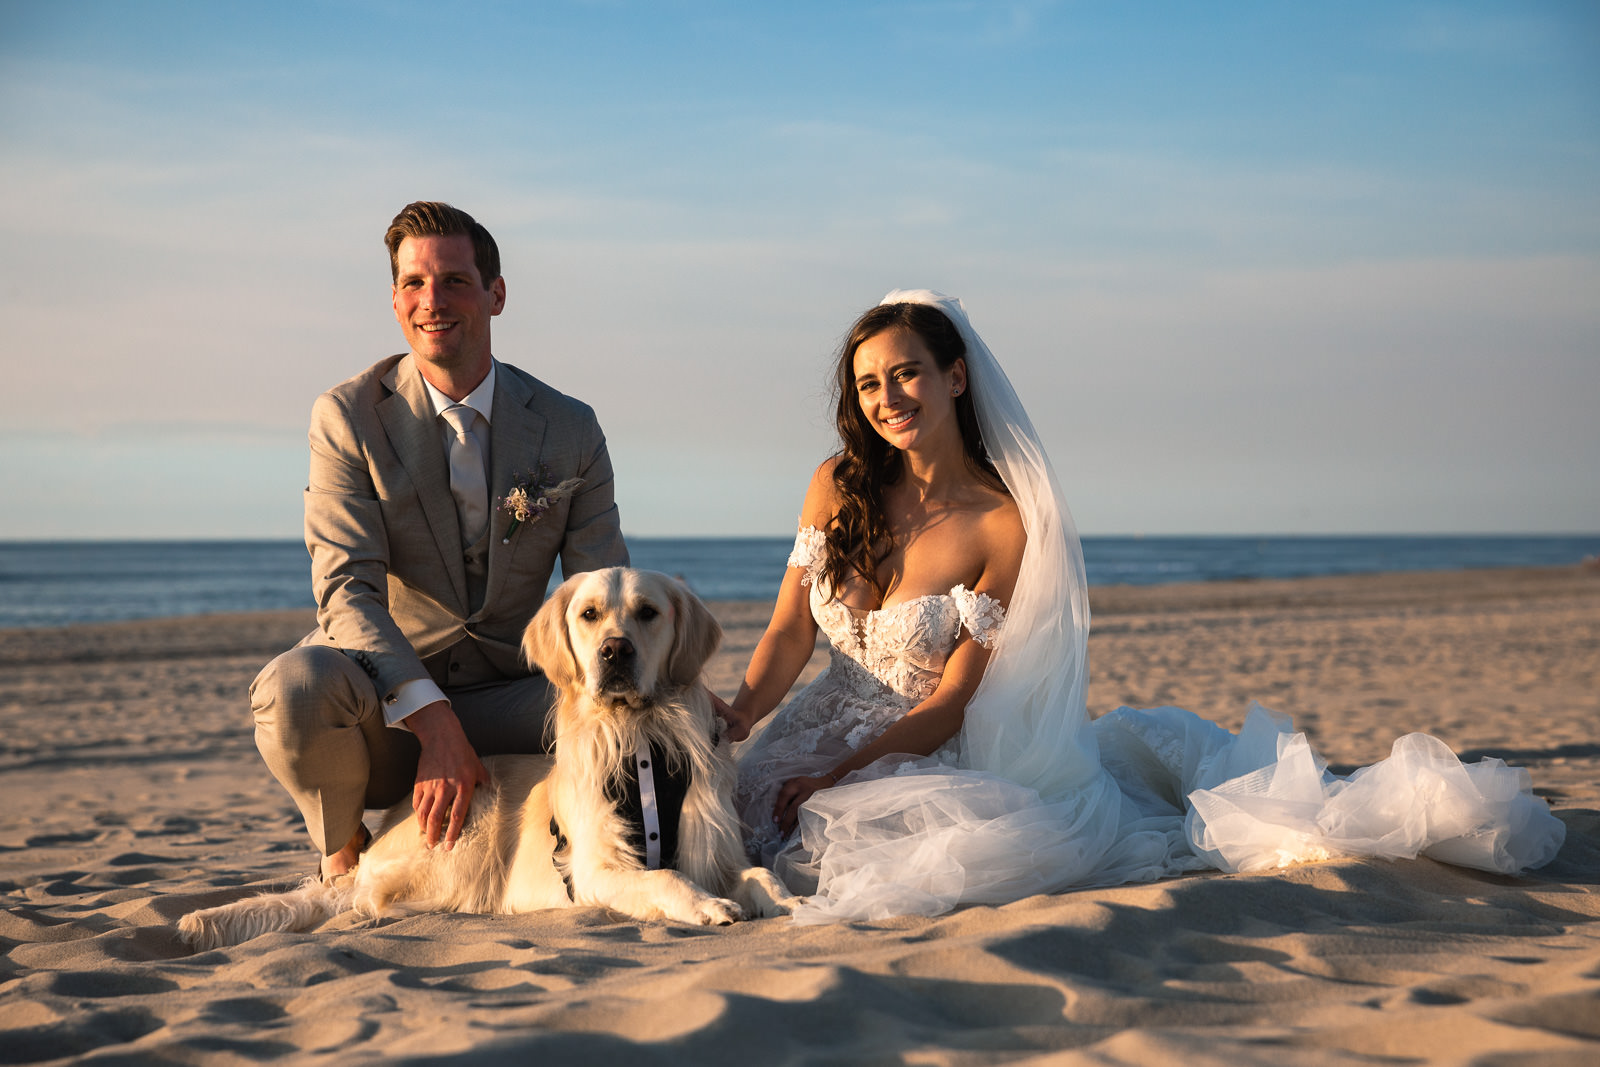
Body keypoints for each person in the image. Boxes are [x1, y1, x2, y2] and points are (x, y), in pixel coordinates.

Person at [726, 290, 1565, 923]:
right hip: (812, 722)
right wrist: (742, 715)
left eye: (905, 372)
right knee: (729, 822)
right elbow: (789, 628)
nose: (886, 397)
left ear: (954, 375)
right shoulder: (836, 481)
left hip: (911, 752)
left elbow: (951, 700)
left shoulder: (1004, 522)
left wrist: (840, 773)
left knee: (850, 861)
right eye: (869, 381)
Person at [251, 201, 628, 881]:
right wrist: (432, 720)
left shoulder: (569, 427)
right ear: (395, 300)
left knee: (641, 706)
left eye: (454, 280)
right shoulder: (347, 416)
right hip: (388, 706)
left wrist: (665, 676)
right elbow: (347, 591)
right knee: (295, 689)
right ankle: (343, 854)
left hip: (517, 694)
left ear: (497, 294)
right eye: (413, 284)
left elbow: (604, 590)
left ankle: (593, 848)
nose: (432, 301)